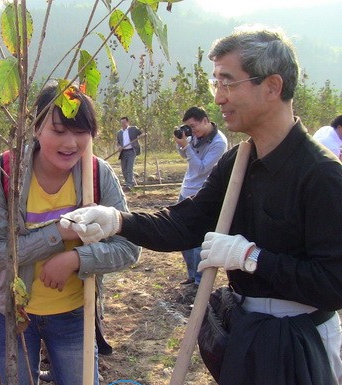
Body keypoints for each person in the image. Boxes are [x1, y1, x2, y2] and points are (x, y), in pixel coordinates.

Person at [61, 26, 342, 384]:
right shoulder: (238, 161)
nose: (219, 98)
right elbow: (186, 223)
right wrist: (117, 221)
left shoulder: (321, 175)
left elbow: (334, 284)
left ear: (272, 86)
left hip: (300, 340)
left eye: (228, 82)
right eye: (216, 84)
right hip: (248, 328)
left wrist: (251, 257)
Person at [0, 83, 140, 385]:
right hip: (13, 315)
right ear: (37, 128)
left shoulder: (97, 174)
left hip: (74, 316)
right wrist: (58, 232)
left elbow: (128, 247)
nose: (71, 143)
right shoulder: (5, 173)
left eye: (81, 131)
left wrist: (75, 259)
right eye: (59, 130)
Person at [174, 107, 227, 285]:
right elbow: (184, 155)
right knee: (181, 236)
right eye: (188, 127)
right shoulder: (194, 136)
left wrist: (187, 147)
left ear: (205, 120)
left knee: (198, 241)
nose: (192, 130)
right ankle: (191, 275)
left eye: (193, 126)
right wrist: (181, 142)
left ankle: (200, 281)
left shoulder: (219, 143)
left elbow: (201, 168)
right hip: (186, 190)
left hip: (202, 194)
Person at [116, 116, 142, 191]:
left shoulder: (133, 129)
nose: (123, 124)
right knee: (124, 169)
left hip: (131, 151)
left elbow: (142, 133)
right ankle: (128, 182)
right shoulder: (119, 133)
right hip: (123, 152)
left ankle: (129, 184)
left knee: (129, 168)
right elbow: (118, 143)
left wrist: (141, 136)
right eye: (122, 123)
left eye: (124, 122)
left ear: (127, 122)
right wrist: (119, 147)